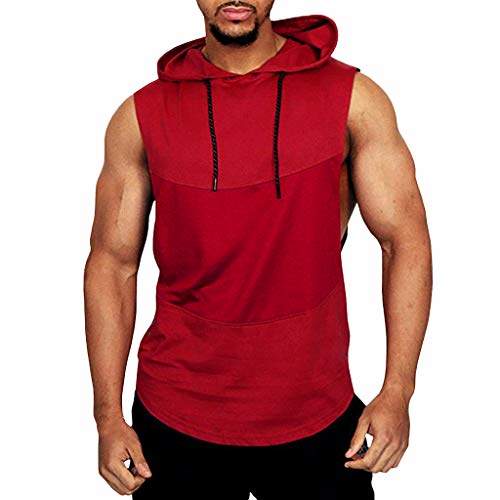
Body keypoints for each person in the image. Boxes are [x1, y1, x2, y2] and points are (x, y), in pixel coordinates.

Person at [84, 1, 432, 498]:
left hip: (319, 417)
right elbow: (112, 265)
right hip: (175, 417)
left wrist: (398, 391)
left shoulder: (354, 99)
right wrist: (107, 416)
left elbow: (405, 241)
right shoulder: (139, 116)